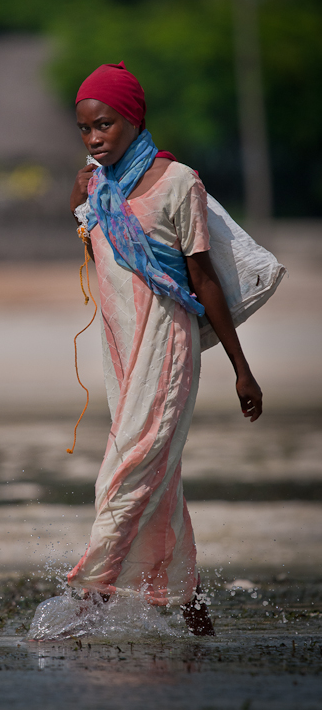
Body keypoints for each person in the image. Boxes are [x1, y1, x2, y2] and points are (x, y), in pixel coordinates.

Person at [67, 62, 263, 636]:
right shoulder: (95, 184)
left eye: (104, 125)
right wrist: (73, 194)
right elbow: (93, 239)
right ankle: (193, 606)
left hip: (167, 345)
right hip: (120, 353)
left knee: (124, 473)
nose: (94, 138)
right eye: (84, 129)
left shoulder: (179, 183)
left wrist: (241, 370)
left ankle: (90, 598)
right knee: (160, 474)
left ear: (133, 120)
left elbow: (203, 279)